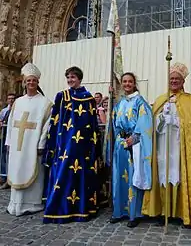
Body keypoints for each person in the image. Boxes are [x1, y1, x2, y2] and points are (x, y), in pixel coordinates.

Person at [142, 62, 191, 227]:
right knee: (163, 176)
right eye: (171, 78)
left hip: (180, 148)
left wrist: (174, 120)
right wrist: (160, 119)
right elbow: (151, 127)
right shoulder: (160, 99)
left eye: (177, 79)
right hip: (162, 146)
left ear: (183, 81)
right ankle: (164, 211)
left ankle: (182, 212)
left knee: (179, 175)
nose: (173, 81)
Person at [43, 66, 106, 224]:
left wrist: (93, 145)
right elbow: (55, 120)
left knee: (80, 175)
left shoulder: (88, 98)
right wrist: (52, 142)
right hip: (64, 143)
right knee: (64, 172)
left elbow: (92, 124)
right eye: (68, 77)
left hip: (83, 145)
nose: (70, 80)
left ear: (79, 78)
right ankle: (61, 206)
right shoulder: (61, 96)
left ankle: (81, 208)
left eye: (73, 77)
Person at [6, 63, 52, 216]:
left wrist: (41, 144)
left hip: (33, 146)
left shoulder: (45, 103)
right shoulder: (18, 102)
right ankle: (15, 203)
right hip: (17, 146)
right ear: (24, 82)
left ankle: (32, 204)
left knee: (33, 171)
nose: (31, 83)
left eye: (34, 81)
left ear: (38, 83)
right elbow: (11, 124)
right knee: (17, 169)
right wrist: (8, 142)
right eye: (29, 80)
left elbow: (47, 126)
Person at [108, 72, 152, 228]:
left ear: (134, 84)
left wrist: (134, 137)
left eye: (130, 82)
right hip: (120, 144)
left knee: (133, 177)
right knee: (119, 177)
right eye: (124, 81)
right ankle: (119, 212)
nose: (127, 84)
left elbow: (145, 122)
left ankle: (134, 214)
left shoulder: (140, 102)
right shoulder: (119, 103)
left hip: (134, 144)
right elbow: (113, 123)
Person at [0, 93, 16, 188]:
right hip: (3, 135)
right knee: (2, 156)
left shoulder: (17, 110)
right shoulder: (4, 111)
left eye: (13, 99)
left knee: (9, 157)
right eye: (9, 99)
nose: (11, 100)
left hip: (12, 137)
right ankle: (2, 176)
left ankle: (9, 178)